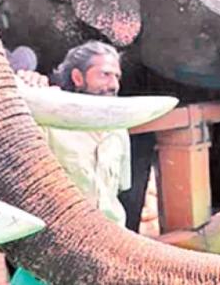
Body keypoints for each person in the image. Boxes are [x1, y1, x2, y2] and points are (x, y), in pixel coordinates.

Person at [11, 41, 131, 285]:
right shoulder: (48, 119)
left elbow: (117, 190)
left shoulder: (119, 127)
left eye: (116, 76)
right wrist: (26, 85)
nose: (113, 85)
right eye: (104, 75)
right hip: (56, 250)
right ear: (77, 77)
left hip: (109, 251)